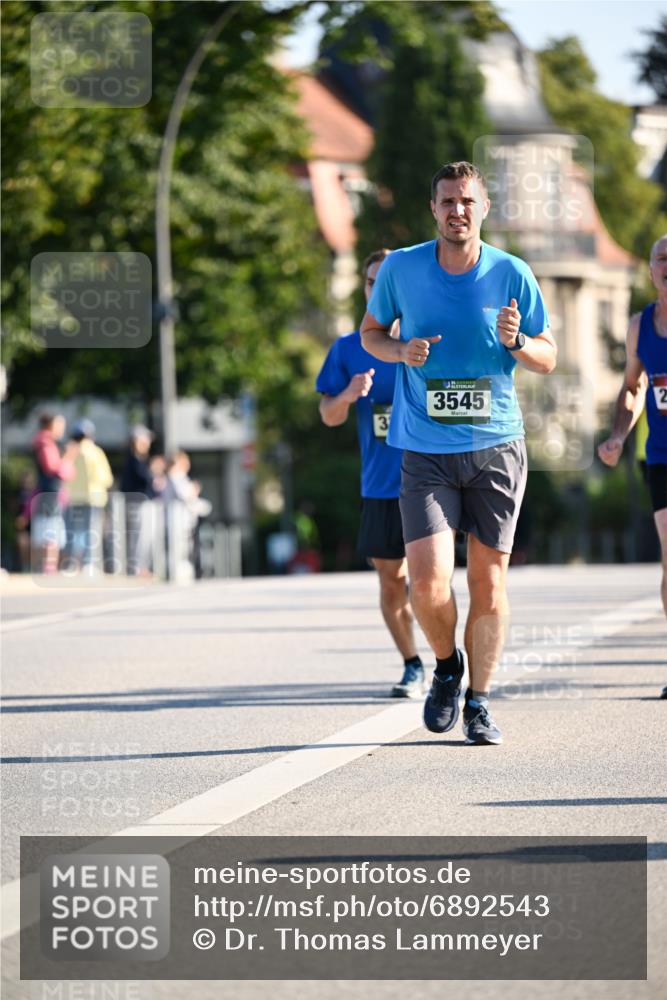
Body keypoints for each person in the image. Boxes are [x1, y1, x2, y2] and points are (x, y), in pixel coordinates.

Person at [360, 161, 556, 744]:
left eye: (467, 201)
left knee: (489, 586)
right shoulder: (401, 269)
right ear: (433, 208)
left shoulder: (512, 272)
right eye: (447, 201)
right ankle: (447, 667)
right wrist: (399, 351)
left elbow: (548, 355)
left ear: (484, 208)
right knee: (426, 585)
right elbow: (371, 333)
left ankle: (480, 701)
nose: (457, 211)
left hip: (496, 446)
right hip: (424, 450)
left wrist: (518, 341)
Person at [317, 249, 425, 698]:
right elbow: (328, 415)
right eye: (370, 282)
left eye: (386, 281)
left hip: (432, 479)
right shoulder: (347, 349)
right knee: (391, 580)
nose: (377, 289)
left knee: (431, 579)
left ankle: (447, 661)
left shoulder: (427, 340)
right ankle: (412, 663)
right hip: (381, 485)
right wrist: (347, 394)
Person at [598, 234, 667, 700]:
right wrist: (619, 435)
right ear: (650, 270)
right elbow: (633, 387)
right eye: (661, 258)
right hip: (661, 456)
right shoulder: (640, 327)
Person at [64, 418, 114, 573]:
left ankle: (72, 564)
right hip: (94, 498)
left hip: (74, 498)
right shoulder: (96, 452)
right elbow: (107, 478)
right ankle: (88, 564)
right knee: (91, 531)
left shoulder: (70, 451)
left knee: (74, 531)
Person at [31, 413, 77, 573]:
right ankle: (48, 567)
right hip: (50, 494)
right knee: (50, 529)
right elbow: (53, 468)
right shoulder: (46, 443)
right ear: (51, 425)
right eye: (59, 424)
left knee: (48, 529)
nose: (62, 428)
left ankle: (46, 566)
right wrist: (69, 459)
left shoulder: (44, 442)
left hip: (47, 493)